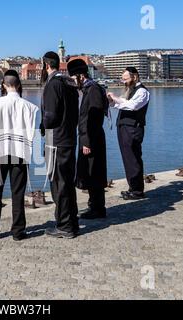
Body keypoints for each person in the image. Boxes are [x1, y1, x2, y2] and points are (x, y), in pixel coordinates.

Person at [0, 70, 39, 241]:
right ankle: (18, 231)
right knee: (18, 193)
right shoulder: (30, 107)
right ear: (19, 85)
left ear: (4, 85)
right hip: (20, 154)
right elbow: (31, 135)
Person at [40, 52, 80, 239]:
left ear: (46, 65)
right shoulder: (68, 83)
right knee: (67, 182)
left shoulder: (53, 84)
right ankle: (72, 221)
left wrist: (43, 126)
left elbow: (51, 115)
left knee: (59, 184)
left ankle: (64, 226)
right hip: (69, 138)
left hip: (56, 141)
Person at [68, 58, 108, 219]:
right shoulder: (91, 88)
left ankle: (97, 208)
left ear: (79, 75)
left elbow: (92, 119)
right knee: (92, 172)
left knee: (93, 172)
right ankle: (95, 206)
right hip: (92, 137)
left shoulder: (92, 90)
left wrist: (86, 141)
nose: (73, 82)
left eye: (73, 78)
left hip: (92, 139)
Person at [107, 67, 150, 201]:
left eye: (126, 79)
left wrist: (116, 98)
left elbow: (132, 106)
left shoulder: (142, 91)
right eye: (123, 79)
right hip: (124, 128)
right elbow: (122, 104)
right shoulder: (130, 91)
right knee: (127, 159)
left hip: (133, 129)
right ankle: (133, 187)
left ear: (135, 77)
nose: (124, 81)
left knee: (133, 158)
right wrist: (112, 102)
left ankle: (137, 191)